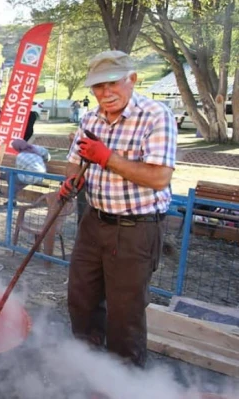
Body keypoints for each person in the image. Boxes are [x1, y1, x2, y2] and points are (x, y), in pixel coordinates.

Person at [60, 50, 176, 368]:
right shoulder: (90, 119)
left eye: (113, 83)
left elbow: (159, 176)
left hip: (136, 228)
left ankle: (125, 381)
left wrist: (107, 157)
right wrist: (71, 182)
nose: (105, 93)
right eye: (98, 87)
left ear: (133, 79)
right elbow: (74, 164)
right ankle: (88, 367)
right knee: (81, 299)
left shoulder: (156, 115)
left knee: (124, 314)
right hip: (94, 221)